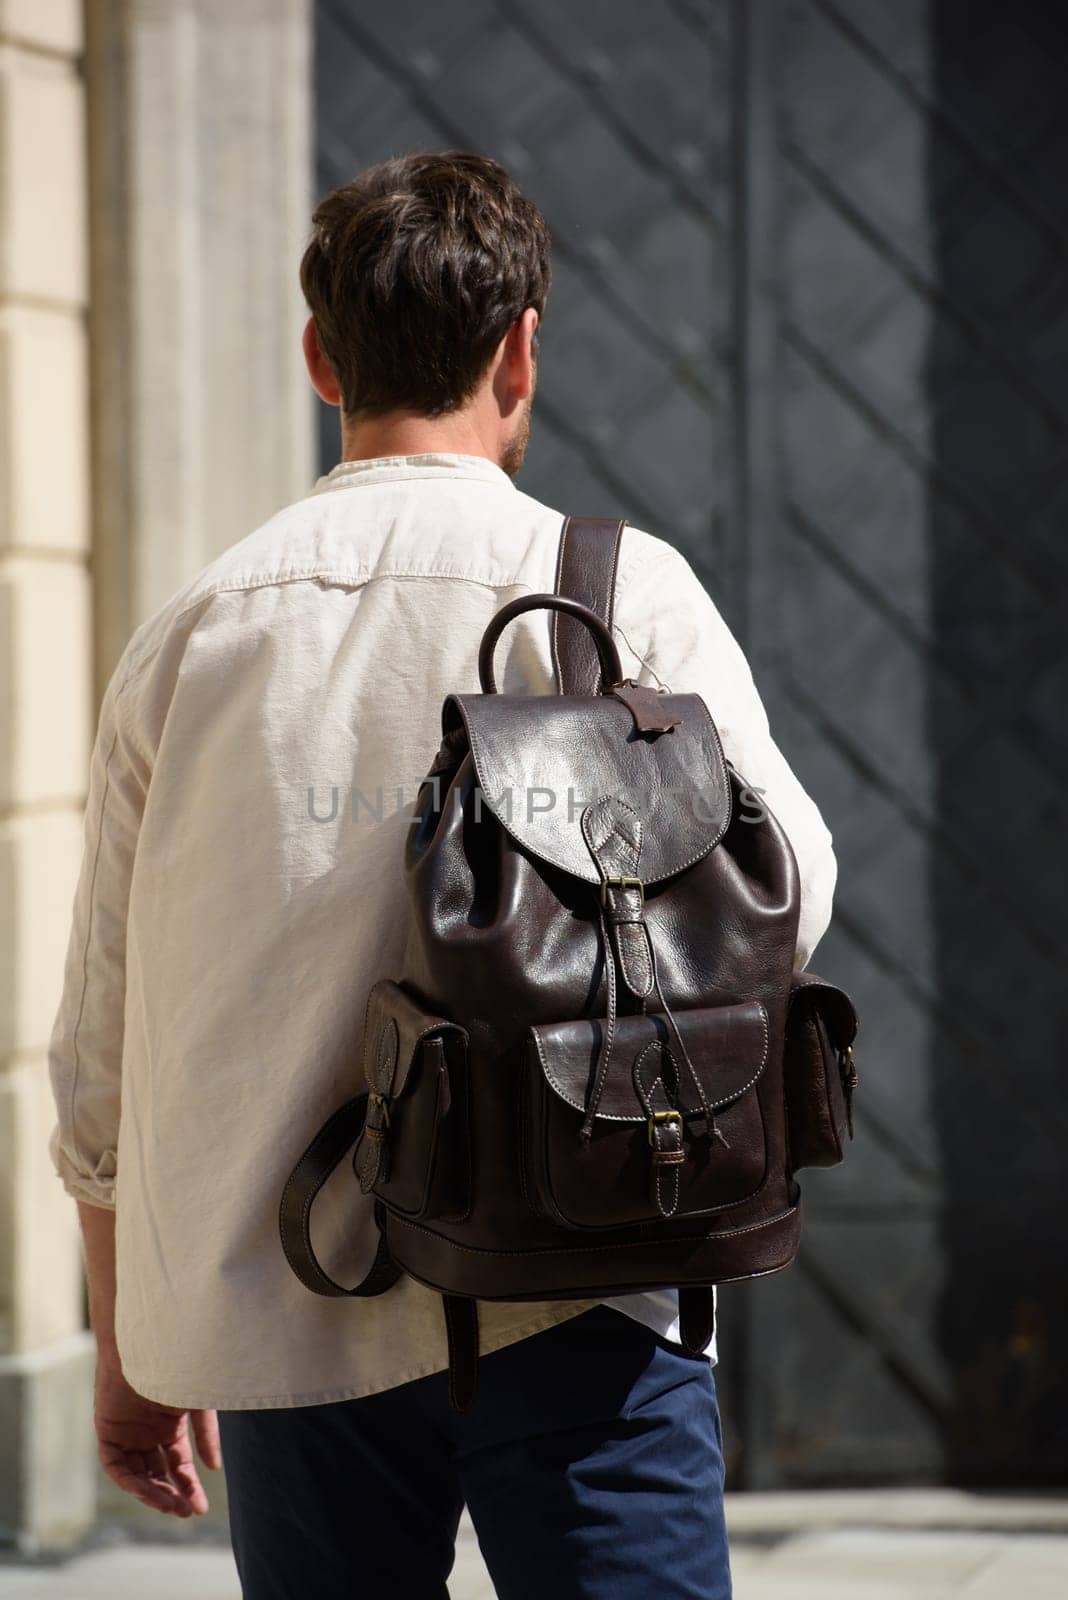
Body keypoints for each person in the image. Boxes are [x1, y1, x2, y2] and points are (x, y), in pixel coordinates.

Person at [47, 150, 837, 1599]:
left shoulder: (195, 634)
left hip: (291, 1313)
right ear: (521, 345)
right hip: (583, 1280)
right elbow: (790, 896)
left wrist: (128, 1347)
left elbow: (103, 1038)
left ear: (317, 355)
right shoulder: (614, 595)